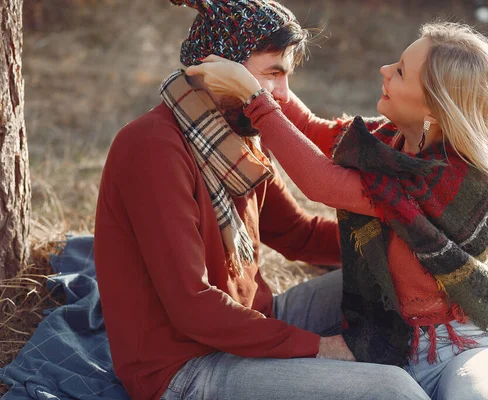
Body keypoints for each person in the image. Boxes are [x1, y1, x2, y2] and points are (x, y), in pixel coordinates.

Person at [187, 19, 488, 400]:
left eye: (400, 71)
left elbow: (321, 182)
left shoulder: (447, 179)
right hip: (392, 341)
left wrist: (258, 101)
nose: (385, 69)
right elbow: (319, 131)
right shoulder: (390, 142)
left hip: (460, 347)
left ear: (434, 110)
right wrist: (276, 86)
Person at [94, 0, 433, 399]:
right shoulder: (152, 147)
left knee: (414, 287)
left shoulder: (238, 134)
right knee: (392, 390)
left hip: (256, 322)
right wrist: (321, 349)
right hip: (184, 367)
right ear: (222, 67)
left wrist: (409, 244)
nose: (281, 93)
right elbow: (193, 307)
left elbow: (297, 233)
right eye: (272, 73)